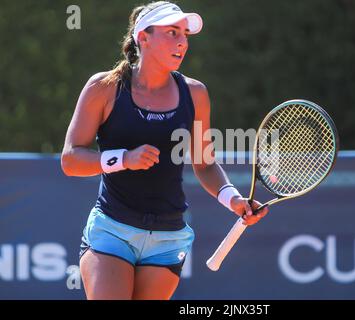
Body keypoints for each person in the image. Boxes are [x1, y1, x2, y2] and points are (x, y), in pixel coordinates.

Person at [61, 1, 269, 300]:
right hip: (112, 230)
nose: (182, 42)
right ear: (143, 37)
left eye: (184, 34)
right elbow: (70, 160)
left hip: (169, 238)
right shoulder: (103, 88)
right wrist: (124, 159)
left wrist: (233, 200)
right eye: (172, 32)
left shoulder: (196, 93)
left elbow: (205, 165)